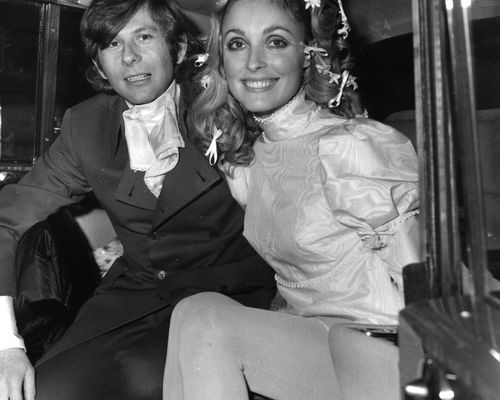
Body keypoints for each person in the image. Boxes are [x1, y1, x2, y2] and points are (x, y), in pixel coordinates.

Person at [0, 0, 275, 399]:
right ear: (98, 65)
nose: (129, 57)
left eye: (143, 36)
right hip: (134, 299)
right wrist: (8, 345)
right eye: (112, 44)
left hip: (230, 295)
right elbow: (6, 220)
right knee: (46, 390)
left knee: (149, 383)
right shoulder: (86, 126)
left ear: (177, 49)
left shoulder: (227, 103)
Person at [162, 0, 420, 399]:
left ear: (308, 54)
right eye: (236, 45)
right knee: (196, 309)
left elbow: (424, 275)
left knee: (208, 322)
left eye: (276, 42)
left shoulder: (351, 145)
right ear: (220, 62)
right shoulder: (247, 161)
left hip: (381, 349)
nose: (253, 63)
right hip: (315, 341)